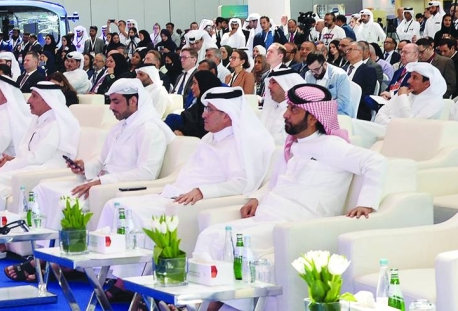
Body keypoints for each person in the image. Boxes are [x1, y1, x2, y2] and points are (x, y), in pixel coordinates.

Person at [193, 84, 385, 311]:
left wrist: (366, 203)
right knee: (209, 234)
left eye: (293, 110)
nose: (285, 114)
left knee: (235, 244)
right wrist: (257, 198)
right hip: (268, 217)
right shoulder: (293, 146)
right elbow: (275, 183)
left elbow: (375, 162)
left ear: (313, 118)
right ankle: (198, 304)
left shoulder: (333, 146)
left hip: (296, 225)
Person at [98, 86, 274, 285]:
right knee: (116, 205)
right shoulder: (209, 138)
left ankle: (127, 282)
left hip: (197, 202)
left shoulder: (244, 143)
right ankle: (111, 274)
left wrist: (202, 191)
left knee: (134, 214)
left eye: (210, 110)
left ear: (227, 116)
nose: (204, 115)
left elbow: (243, 184)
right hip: (177, 194)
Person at [24, 79, 173, 278]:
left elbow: (146, 173)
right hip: (101, 183)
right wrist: (84, 166)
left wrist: (101, 182)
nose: (111, 107)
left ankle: (55, 262)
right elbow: (102, 162)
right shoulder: (118, 128)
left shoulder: (150, 129)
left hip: (121, 187)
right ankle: (45, 253)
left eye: (116, 102)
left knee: (68, 200)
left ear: (134, 101)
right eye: (110, 101)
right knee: (45, 188)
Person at [0, 82, 81, 261]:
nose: (28, 101)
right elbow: (26, 152)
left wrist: (12, 164)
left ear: (49, 100)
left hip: (45, 170)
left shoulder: (56, 123)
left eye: (34, 96)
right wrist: (12, 160)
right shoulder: (38, 120)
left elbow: (38, 157)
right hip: (27, 166)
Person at [260, 68, 304, 144]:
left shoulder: (299, 113)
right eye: (269, 83)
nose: (269, 87)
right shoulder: (272, 108)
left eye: (273, 83)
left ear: (286, 85)